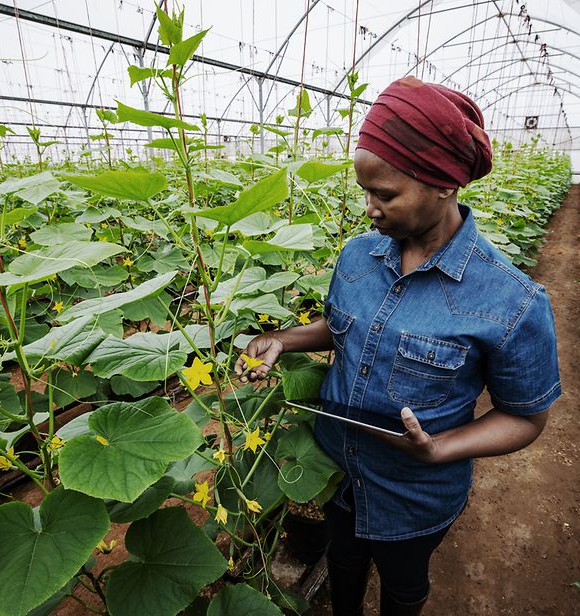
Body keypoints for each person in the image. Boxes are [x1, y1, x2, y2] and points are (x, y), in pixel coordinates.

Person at [235, 76, 561, 616]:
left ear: (445, 185)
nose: (369, 209)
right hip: (337, 465)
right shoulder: (359, 256)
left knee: (404, 584)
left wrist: (439, 448)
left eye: (384, 194)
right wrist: (282, 341)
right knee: (343, 558)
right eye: (365, 190)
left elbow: (526, 419)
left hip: (415, 490)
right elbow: (342, 328)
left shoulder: (512, 301)